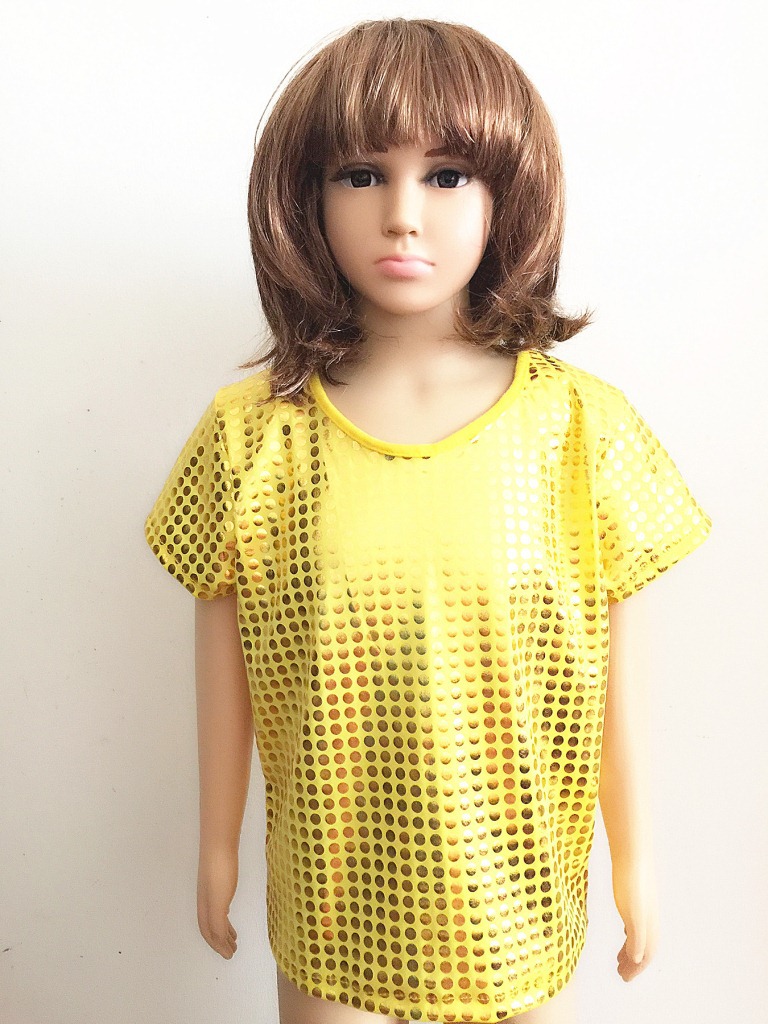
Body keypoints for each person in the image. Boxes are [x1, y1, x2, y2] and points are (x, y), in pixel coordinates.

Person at [144, 18, 711, 1024]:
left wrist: (637, 862)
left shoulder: (582, 430)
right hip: (334, 909)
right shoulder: (253, 435)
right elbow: (225, 649)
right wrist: (216, 847)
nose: (402, 215)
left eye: (447, 175)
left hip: (518, 906)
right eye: (362, 174)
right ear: (306, 196)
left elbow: (610, 669)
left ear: (507, 195)